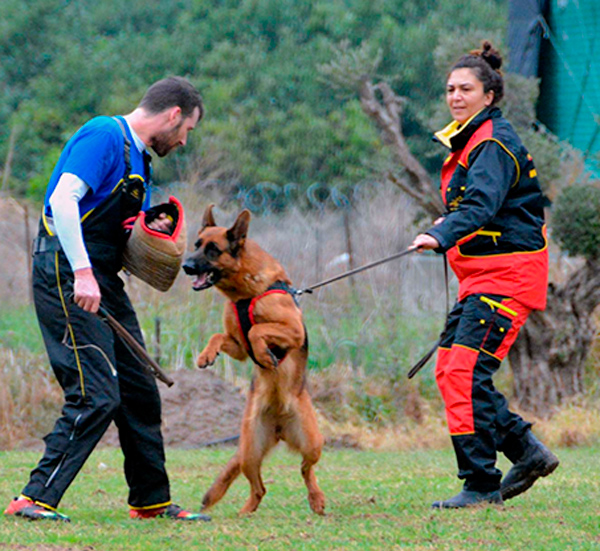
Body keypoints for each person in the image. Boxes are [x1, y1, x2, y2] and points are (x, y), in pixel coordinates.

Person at [4, 77, 210, 522]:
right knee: (95, 394)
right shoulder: (105, 135)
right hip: (66, 273)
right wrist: (82, 271)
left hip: (101, 278)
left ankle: (151, 502)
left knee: (139, 391)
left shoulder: (139, 158)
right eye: (187, 130)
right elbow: (62, 200)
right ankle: (33, 498)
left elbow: (107, 220)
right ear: (174, 114)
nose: (184, 141)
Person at [411, 42, 559, 509]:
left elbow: (481, 205)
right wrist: (447, 233)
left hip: (507, 277)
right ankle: (524, 452)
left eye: (466, 89)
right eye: (451, 89)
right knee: (451, 371)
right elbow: (479, 208)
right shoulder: (472, 139)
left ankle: (480, 485)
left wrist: (441, 234)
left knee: (463, 371)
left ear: (489, 95)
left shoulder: (493, 143)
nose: (456, 96)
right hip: (481, 277)